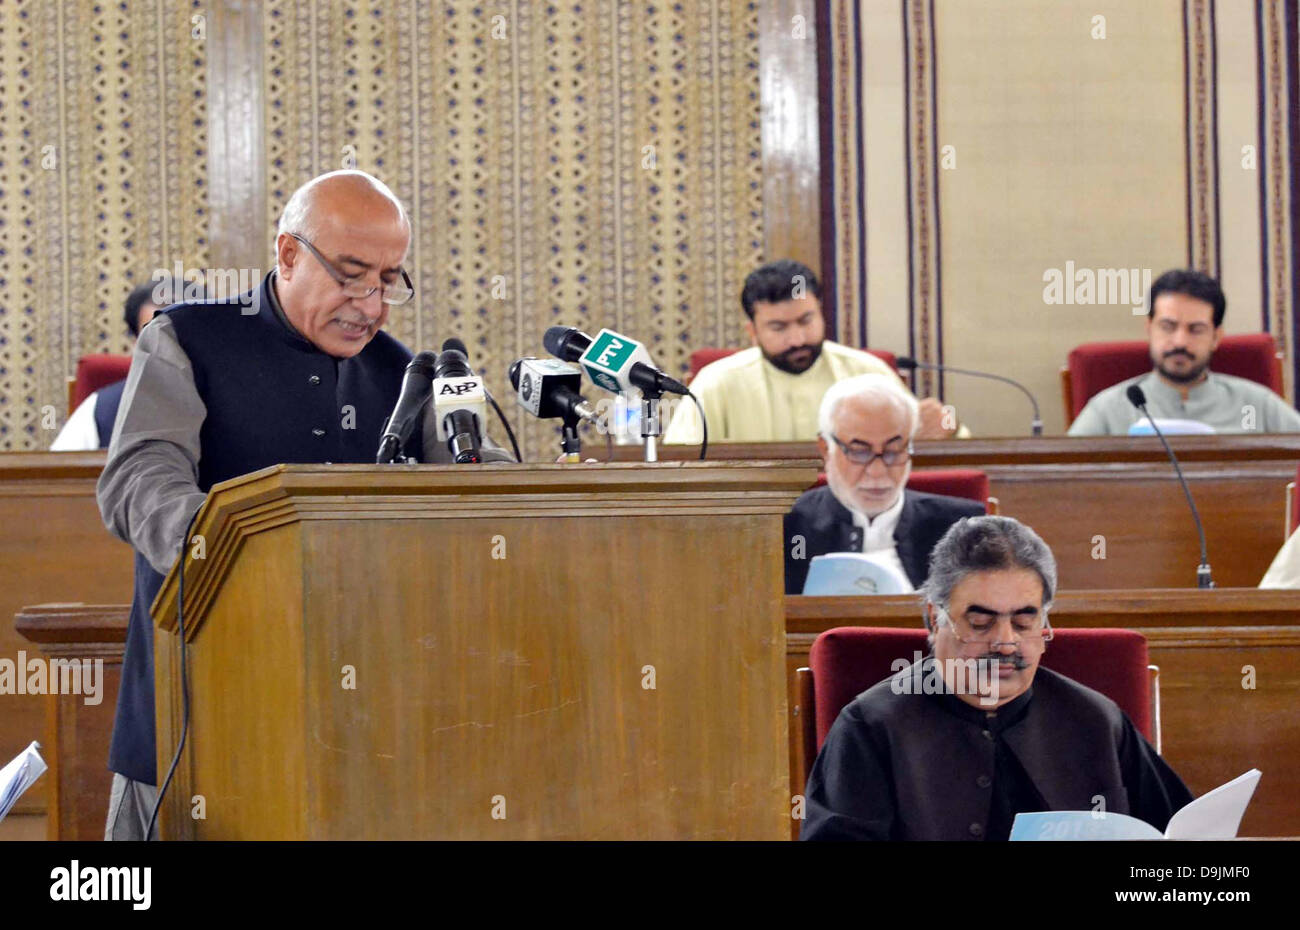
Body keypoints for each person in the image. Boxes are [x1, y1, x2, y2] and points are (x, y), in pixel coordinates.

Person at [97, 169, 513, 840]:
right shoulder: (188, 341)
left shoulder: (404, 372)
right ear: (288, 254)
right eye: (351, 275)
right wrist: (249, 552)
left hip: (356, 734)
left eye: (388, 280)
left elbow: (476, 487)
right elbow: (139, 481)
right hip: (196, 720)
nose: (371, 304)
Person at [801, 515, 1194, 841]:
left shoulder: (1095, 719)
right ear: (935, 620)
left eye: (1024, 622)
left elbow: (1179, 835)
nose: (1005, 643)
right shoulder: (871, 727)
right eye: (980, 623)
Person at [662, 259, 963, 444]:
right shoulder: (717, 382)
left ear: (821, 312)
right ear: (752, 332)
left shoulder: (867, 372)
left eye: (806, 320)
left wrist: (947, 426)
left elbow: (950, 439)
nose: (797, 339)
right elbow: (681, 465)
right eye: (779, 328)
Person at [784, 373, 983, 593]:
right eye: (859, 452)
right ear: (825, 449)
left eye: (893, 450)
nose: (878, 472)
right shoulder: (784, 528)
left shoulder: (965, 527)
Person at [1068, 269, 1300, 435]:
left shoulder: (1255, 405)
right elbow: (1066, 480)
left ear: (1216, 337)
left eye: (1195, 330)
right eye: (1168, 327)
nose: (1180, 341)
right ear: (1149, 328)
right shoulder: (1110, 409)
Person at [50, 277, 187, 451]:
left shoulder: (230, 401)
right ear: (137, 343)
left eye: (180, 332)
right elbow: (61, 473)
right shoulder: (99, 409)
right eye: (154, 335)